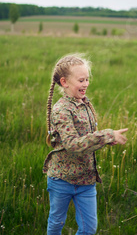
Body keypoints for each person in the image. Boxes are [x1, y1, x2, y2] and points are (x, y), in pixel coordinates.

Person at [42, 54, 128, 235]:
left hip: (86, 180)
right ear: (64, 82)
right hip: (62, 180)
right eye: (81, 80)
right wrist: (106, 134)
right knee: (56, 223)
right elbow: (73, 144)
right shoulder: (61, 109)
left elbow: (87, 137)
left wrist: (107, 139)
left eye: (87, 79)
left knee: (89, 229)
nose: (86, 84)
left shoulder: (85, 103)